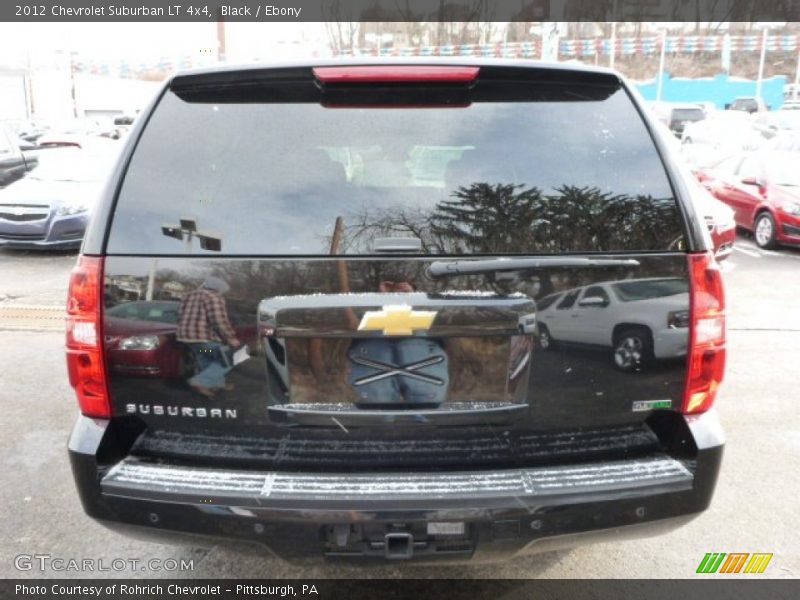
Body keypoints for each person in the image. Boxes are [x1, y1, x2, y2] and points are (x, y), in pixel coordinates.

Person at [176, 276, 240, 398]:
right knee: (229, 358)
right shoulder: (214, 297)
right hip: (205, 339)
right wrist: (230, 337)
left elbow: (179, 315)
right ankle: (201, 381)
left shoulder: (188, 295)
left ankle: (216, 384)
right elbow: (218, 320)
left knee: (206, 358)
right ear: (218, 289)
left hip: (190, 340)